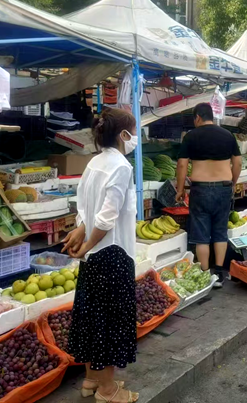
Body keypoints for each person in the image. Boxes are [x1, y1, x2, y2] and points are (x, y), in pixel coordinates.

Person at [62, 107, 139, 403]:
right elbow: (106, 218)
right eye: (132, 131)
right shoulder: (120, 166)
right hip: (113, 254)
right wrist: (88, 240)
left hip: (95, 255)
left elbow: (85, 208)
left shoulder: (95, 162)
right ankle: (108, 390)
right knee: (109, 320)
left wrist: (83, 236)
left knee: (92, 315)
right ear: (123, 134)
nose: (134, 138)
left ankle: (90, 380)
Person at [176, 103, 242, 288]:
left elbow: (182, 164)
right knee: (220, 231)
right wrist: (233, 182)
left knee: (201, 234)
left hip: (200, 189)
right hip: (223, 188)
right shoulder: (228, 135)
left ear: (197, 117)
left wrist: (180, 190)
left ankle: (205, 274)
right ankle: (219, 274)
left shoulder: (191, 136)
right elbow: (237, 162)